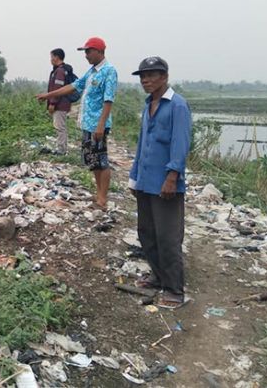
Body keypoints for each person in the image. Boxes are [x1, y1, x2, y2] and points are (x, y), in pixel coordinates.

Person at [128, 56, 192, 309]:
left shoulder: (177, 106)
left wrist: (172, 176)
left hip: (166, 182)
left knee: (168, 237)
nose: (146, 80)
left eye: (152, 75)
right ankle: (158, 276)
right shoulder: (149, 105)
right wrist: (134, 178)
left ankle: (174, 289)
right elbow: (142, 144)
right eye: (143, 76)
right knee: (146, 232)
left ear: (164, 77)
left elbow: (180, 143)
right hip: (146, 181)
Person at [37, 37, 117, 209]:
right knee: (93, 161)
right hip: (87, 124)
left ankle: (103, 198)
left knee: (101, 160)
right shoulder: (92, 72)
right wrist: (48, 95)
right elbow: (73, 86)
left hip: (97, 124)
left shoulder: (109, 71)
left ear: (99, 51)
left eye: (88, 51)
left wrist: (101, 124)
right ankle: (98, 194)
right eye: (85, 52)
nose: (86, 55)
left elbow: (108, 100)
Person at [45, 48, 76, 154]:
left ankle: (61, 150)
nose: (50, 59)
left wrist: (52, 103)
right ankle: (61, 148)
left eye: (51, 57)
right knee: (60, 125)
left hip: (60, 104)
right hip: (62, 103)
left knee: (60, 127)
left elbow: (58, 89)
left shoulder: (60, 71)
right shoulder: (60, 70)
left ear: (56, 57)